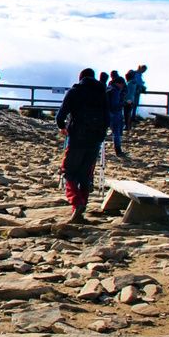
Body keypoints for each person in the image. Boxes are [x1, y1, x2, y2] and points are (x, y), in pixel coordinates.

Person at [56, 69, 109, 223]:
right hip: (95, 139)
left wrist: (62, 127)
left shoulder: (75, 91)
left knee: (69, 172)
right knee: (85, 174)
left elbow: (61, 115)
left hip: (77, 138)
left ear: (80, 78)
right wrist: (101, 134)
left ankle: (76, 203)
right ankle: (82, 206)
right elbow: (108, 118)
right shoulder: (102, 93)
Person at [106, 74, 127, 157]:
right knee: (116, 133)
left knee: (103, 132)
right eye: (122, 84)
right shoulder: (115, 91)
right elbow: (115, 105)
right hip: (115, 114)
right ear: (119, 83)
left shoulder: (108, 89)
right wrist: (124, 103)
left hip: (106, 113)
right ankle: (118, 150)